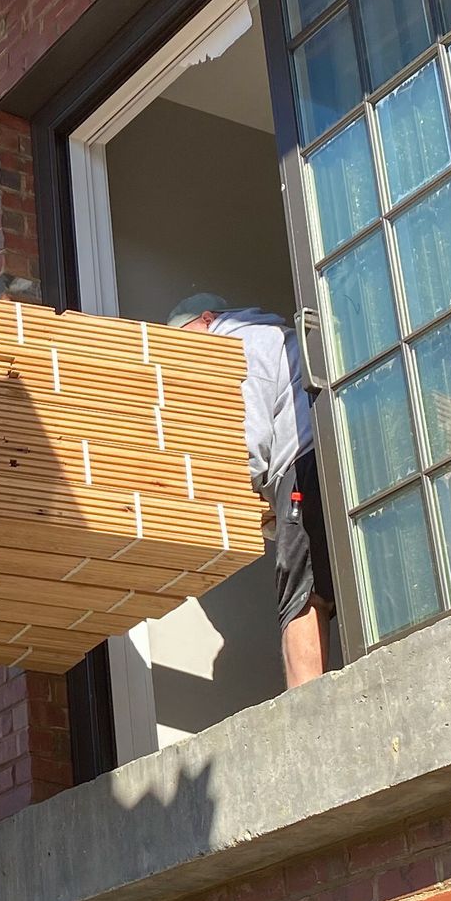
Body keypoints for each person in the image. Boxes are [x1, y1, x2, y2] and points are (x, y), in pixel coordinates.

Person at [167, 293, 333, 688]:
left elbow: (249, 436)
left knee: (301, 592)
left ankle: (306, 702)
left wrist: (237, 491)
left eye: (181, 339)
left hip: (302, 463)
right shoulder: (276, 337)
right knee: (329, 581)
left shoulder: (242, 340)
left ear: (208, 318)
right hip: (320, 459)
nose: (180, 353)